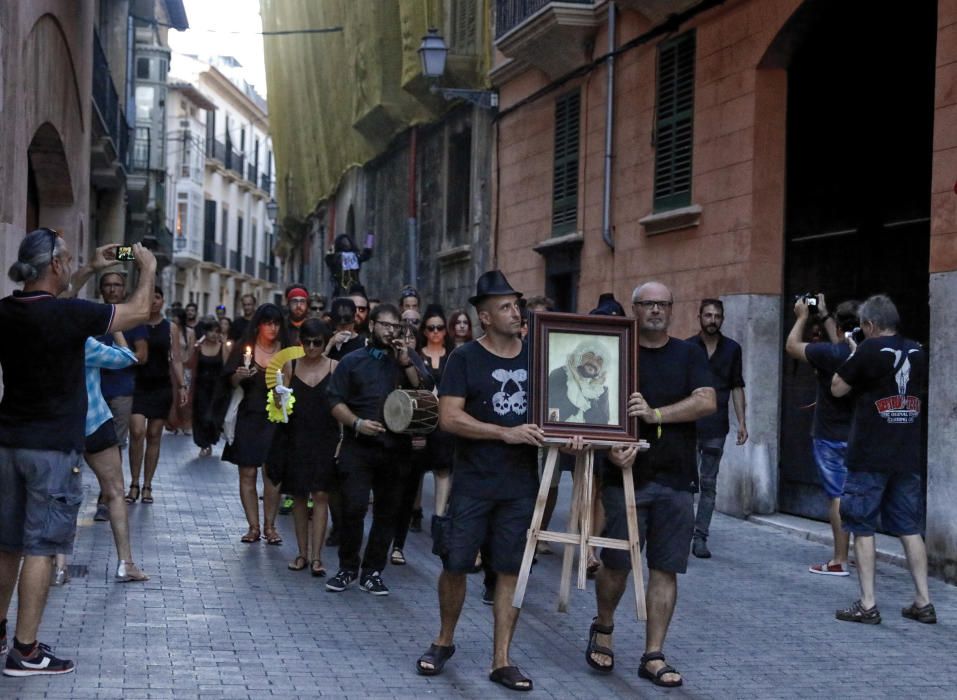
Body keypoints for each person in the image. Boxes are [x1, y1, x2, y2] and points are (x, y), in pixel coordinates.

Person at [0, 231, 155, 677]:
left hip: (8, 441)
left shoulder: (9, 311)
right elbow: (140, 312)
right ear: (54, 265)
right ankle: (25, 651)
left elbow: (50, 302)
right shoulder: (69, 315)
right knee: (42, 549)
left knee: (6, 546)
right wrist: (147, 268)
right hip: (51, 447)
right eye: (67, 260)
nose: (70, 266)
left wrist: (88, 267)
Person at [415, 271, 544, 692]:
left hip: (520, 485)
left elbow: (561, 410)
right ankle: (444, 640)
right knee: (454, 563)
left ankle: (501, 659)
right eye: (505, 306)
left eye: (516, 304)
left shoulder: (538, 357)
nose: (515, 312)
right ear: (485, 317)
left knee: (509, 570)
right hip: (472, 482)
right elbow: (449, 417)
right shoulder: (465, 359)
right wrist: (503, 431)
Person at [585, 281, 715, 688]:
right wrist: (609, 450)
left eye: (663, 304)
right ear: (635, 309)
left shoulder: (689, 354)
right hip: (625, 477)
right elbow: (591, 405)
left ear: (671, 309)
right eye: (648, 304)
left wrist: (656, 415)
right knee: (617, 564)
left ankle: (653, 654)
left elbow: (707, 400)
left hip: (676, 477)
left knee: (665, 568)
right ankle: (603, 627)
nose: (656, 310)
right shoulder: (616, 354)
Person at [831, 294, 934, 625]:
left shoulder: (869, 350)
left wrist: (855, 352)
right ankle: (923, 600)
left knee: (862, 525)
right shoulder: (918, 351)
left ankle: (868, 602)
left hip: (870, 454)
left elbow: (837, 388)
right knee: (909, 528)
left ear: (870, 325)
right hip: (906, 454)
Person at [325, 303, 433, 596]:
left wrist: (406, 362)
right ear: (371, 325)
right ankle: (347, 567)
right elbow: (334, 400)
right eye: (385, 325)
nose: (390, 331)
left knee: (387, 513)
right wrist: (357, 423)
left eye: (395, 327)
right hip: (358, 447)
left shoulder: (406, 359)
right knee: (354, 508)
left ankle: (372, 572)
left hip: (396, 449)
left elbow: (425, 389)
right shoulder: (352, 361)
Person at [785, 294, 859, 575]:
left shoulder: (830, 354)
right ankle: (856, 553)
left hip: (830, 435)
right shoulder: (864, 351)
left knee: (837, 497)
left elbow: (792, 346)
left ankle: (839, 559)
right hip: (859, 434)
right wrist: (826, 313)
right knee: (856, 494)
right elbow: (842, 342)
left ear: (839, 329)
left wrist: (803, 317)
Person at [268, 319, 340, 576]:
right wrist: (278, 399)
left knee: (320, 495)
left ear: (325, 342)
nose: (311, 347)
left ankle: (317, 557)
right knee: (299, 496)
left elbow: (341, 404)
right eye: (306, 342)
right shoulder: (291, 364)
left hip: (325, 438)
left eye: (317, 343)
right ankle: (301, 553)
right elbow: (280, 408)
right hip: (297, 437)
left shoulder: (335, 367)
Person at [81, 334, 150, 582]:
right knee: (115, 490)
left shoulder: (41, 338)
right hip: (92, 421)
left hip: (55, 425)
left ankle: (57, 566)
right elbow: (127, 357)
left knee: (58, 494)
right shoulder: (85, 342)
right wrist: (118, 330)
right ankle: (125, 563)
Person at [685, 298, 748, 559]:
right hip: (688, 426)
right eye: (708, 315)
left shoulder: (732, 349)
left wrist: (742, 422)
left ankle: (700, 537)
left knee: (709, 484)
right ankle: (682, 532)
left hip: (716, 426)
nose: (712, 320)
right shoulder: (687, 348)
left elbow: (737, 386)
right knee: (686, 483)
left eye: (717, 316)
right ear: (699, 316)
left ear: (723, 319)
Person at [222, 304, 290, 544]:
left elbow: (292, 386)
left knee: (272, 475)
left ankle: (270, 526)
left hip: (275, 417)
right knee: (247, 472)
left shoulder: (286, 351)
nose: (272, 328)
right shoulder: (244, 349)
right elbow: (228, 380)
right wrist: (239, 375)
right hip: (249, 414)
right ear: (259, 325)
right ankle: (253, 526)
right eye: (267, 323)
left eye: (276, 323)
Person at [85, 271, 149, 521]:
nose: (112, 290)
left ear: (124, 289)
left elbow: (140, 356)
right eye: (107, 285)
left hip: (122, 389)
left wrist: (117, 330)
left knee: (115, 442)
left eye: (117, 285)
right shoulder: (92, 316)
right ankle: (108, 493)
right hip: (95, 391)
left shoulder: (133, 319)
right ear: (101, 290)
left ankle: (108, 496)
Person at [128, 287, 187, 505]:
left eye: (158, 297)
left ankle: (147, 485)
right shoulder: (135, 323)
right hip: (137, 384)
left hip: (161, 386)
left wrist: (182, 385)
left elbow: (177, 359)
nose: (154, 301)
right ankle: (133, 482)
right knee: (136, 431)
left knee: (154, 434)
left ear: (163, 301)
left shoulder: (170, 328)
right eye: (150, 297)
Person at [547, 340, 611, 424]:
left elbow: (602, 423)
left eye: (599, 360)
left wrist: (591, 392)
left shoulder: (601, 390)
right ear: (579, 356)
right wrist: (577, 380)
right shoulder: (559, 375)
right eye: (589, 356)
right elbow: (552, 415)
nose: (593, 362)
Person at [192, 318, 228, 457]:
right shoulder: (199, 347)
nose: (213, 334)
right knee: (201, 416)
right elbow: (191, 363)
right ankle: (203, 444)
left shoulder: (222, 347)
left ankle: (211, 439)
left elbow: (226, 366)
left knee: (213, 417)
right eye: (210, 331)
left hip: (217, 388)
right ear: (205, 332)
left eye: (216, 331)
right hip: (201, 387)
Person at [325, 233, 373, 297]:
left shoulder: (335, 257)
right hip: (353, 289)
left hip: (343, 289)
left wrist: (331, 248)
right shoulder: (356, 256)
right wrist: (370, 237)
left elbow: (328, 258)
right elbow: (367, 253)